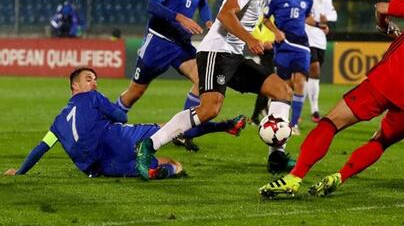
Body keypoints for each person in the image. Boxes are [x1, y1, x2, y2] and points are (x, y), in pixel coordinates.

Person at [135, 0, 302, 180]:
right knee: (209, 110)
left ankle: (277, 156)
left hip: (234, 56)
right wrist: (250, 39)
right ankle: (150, 145)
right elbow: (225, 15)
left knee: (283, 91)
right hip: (215, 52)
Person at [259, 0, 404, 198]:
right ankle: (340, 176)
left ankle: (295, 177)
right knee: (380, 141)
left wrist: (385, 26)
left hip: (387, 80)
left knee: (331, 123)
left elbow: (381, 8)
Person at [4, 67, 246, 179]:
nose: (94, 83)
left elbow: (41, 148)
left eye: (96, 80)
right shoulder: (93, 97)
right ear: (74, 86)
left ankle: (155, 170)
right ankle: (225, 126)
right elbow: (122, 117)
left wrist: (20, 172)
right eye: (89, 79)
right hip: (117, 140)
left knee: (174, 163)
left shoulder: (57, 123)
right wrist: (113, 109)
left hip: (101, 168)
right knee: (171, 127)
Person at [116, 0, 212, 151]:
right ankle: (108, 123)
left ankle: (184, 132)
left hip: (181, 45)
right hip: (158, 43)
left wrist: (208, 20)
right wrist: (180, 17)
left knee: (203, 79)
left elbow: (203, 3)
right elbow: (152, 6)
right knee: (135, 93)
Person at [262, 0, 323, 137]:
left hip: (302, 47)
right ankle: (275, 119)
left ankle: (294, 124)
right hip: (283, 46)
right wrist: (276, 32)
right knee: (284, 87)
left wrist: (318, 25)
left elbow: (307, 18)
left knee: (300, 83)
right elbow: (265, 19)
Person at [302, 0, 337, 122]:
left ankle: (310, 108)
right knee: (313, 68)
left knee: (313, 75)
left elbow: (334, 15)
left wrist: (326, 18)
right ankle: (314, 110)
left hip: (320, 39)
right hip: (303, 39)